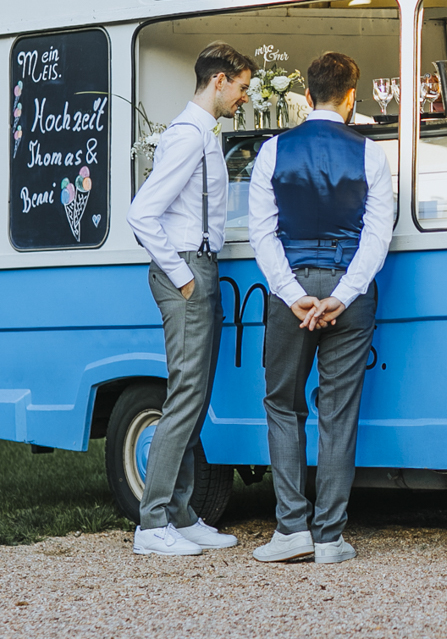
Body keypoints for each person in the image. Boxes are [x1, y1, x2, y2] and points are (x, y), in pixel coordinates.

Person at [248, 52, 393, 564]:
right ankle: (330, 537)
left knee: (282, 404)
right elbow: (378, 239)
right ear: (352, 98)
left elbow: (261, 235)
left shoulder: (271, 151)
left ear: (306, 97)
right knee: (338, 412)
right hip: (347, 296)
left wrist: (293, 295)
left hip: (293, 293)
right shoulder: (372, 154)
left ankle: (292, 529)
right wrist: (341, 296)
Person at [126, 42, 256, 556]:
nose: (244, 98)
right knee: (183, 398)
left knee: (196, 397)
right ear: (219, 81)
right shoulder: (187, 136)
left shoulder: (202, 133)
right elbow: (142, 213)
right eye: (242, 87)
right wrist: (182, 277)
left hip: (200, 266)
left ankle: (180, 514)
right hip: (185, 270)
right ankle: (151, 522)